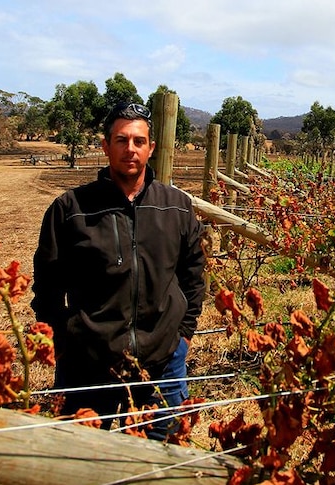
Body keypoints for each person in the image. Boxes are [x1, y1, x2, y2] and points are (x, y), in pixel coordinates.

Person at [31, 102, 205, 440]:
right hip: (88, 368)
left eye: (139, 141)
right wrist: (66, 341)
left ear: (151, 148)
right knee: (80, 463)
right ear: (105, 145)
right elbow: (48, 287)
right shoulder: (71, 209)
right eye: (121, 140)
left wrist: (182, 335)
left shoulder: (176, 207)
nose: (130, 149)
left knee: (161, 463)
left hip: (162, 364)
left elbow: (193, 274)